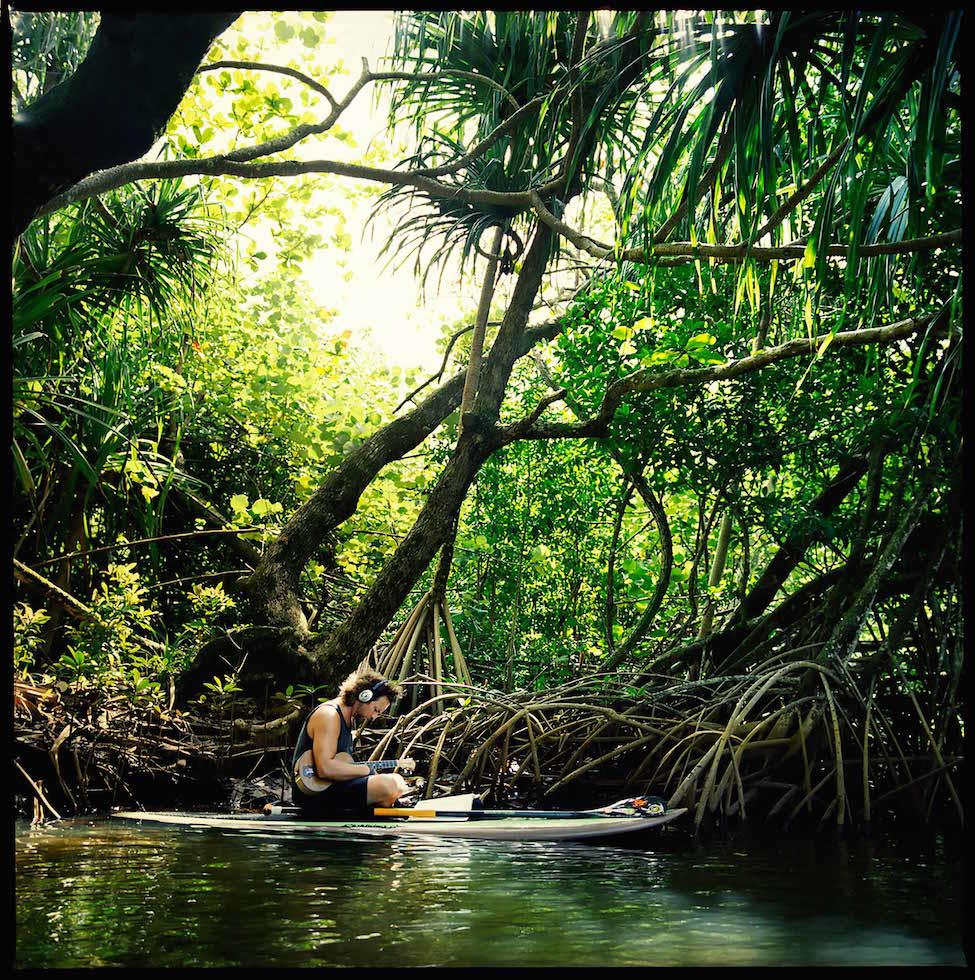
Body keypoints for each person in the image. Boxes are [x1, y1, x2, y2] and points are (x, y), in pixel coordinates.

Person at [290, 668, 415, 818]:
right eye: (376, 710)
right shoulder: (329, 715)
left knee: (396, 782)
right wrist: (366, 770)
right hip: (313, 794)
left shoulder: (348, 719)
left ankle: (384, 808)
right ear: (364, 696)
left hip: (333, 789)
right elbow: (325, 769)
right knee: (389, 785)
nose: (374, 717)